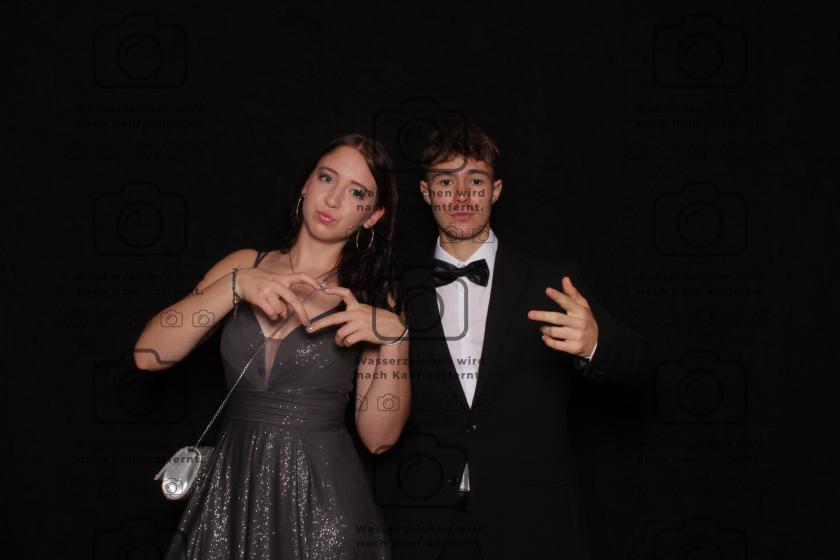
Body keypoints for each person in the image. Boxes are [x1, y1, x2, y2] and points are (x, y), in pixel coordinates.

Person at [375, 123, 656, 559]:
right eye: (446, 182)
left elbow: (642, 363)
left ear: (496, 190)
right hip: (428, 526)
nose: (461, 196)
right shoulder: (394, 292)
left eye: (476, 182)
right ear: (427, 193)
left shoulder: (551, 282)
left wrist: (595, 343)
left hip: (534, 522)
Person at [134, 134, 411, 559]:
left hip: (323, 509)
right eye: (326, 178)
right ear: (306, 184)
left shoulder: (372, 298)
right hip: (231, 495)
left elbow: (379, 440)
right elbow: (148, 355)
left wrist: (397, 340)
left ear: (373, 216)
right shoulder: (244, 265)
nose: (333, 199)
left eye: (357, 193)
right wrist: (233, 286)